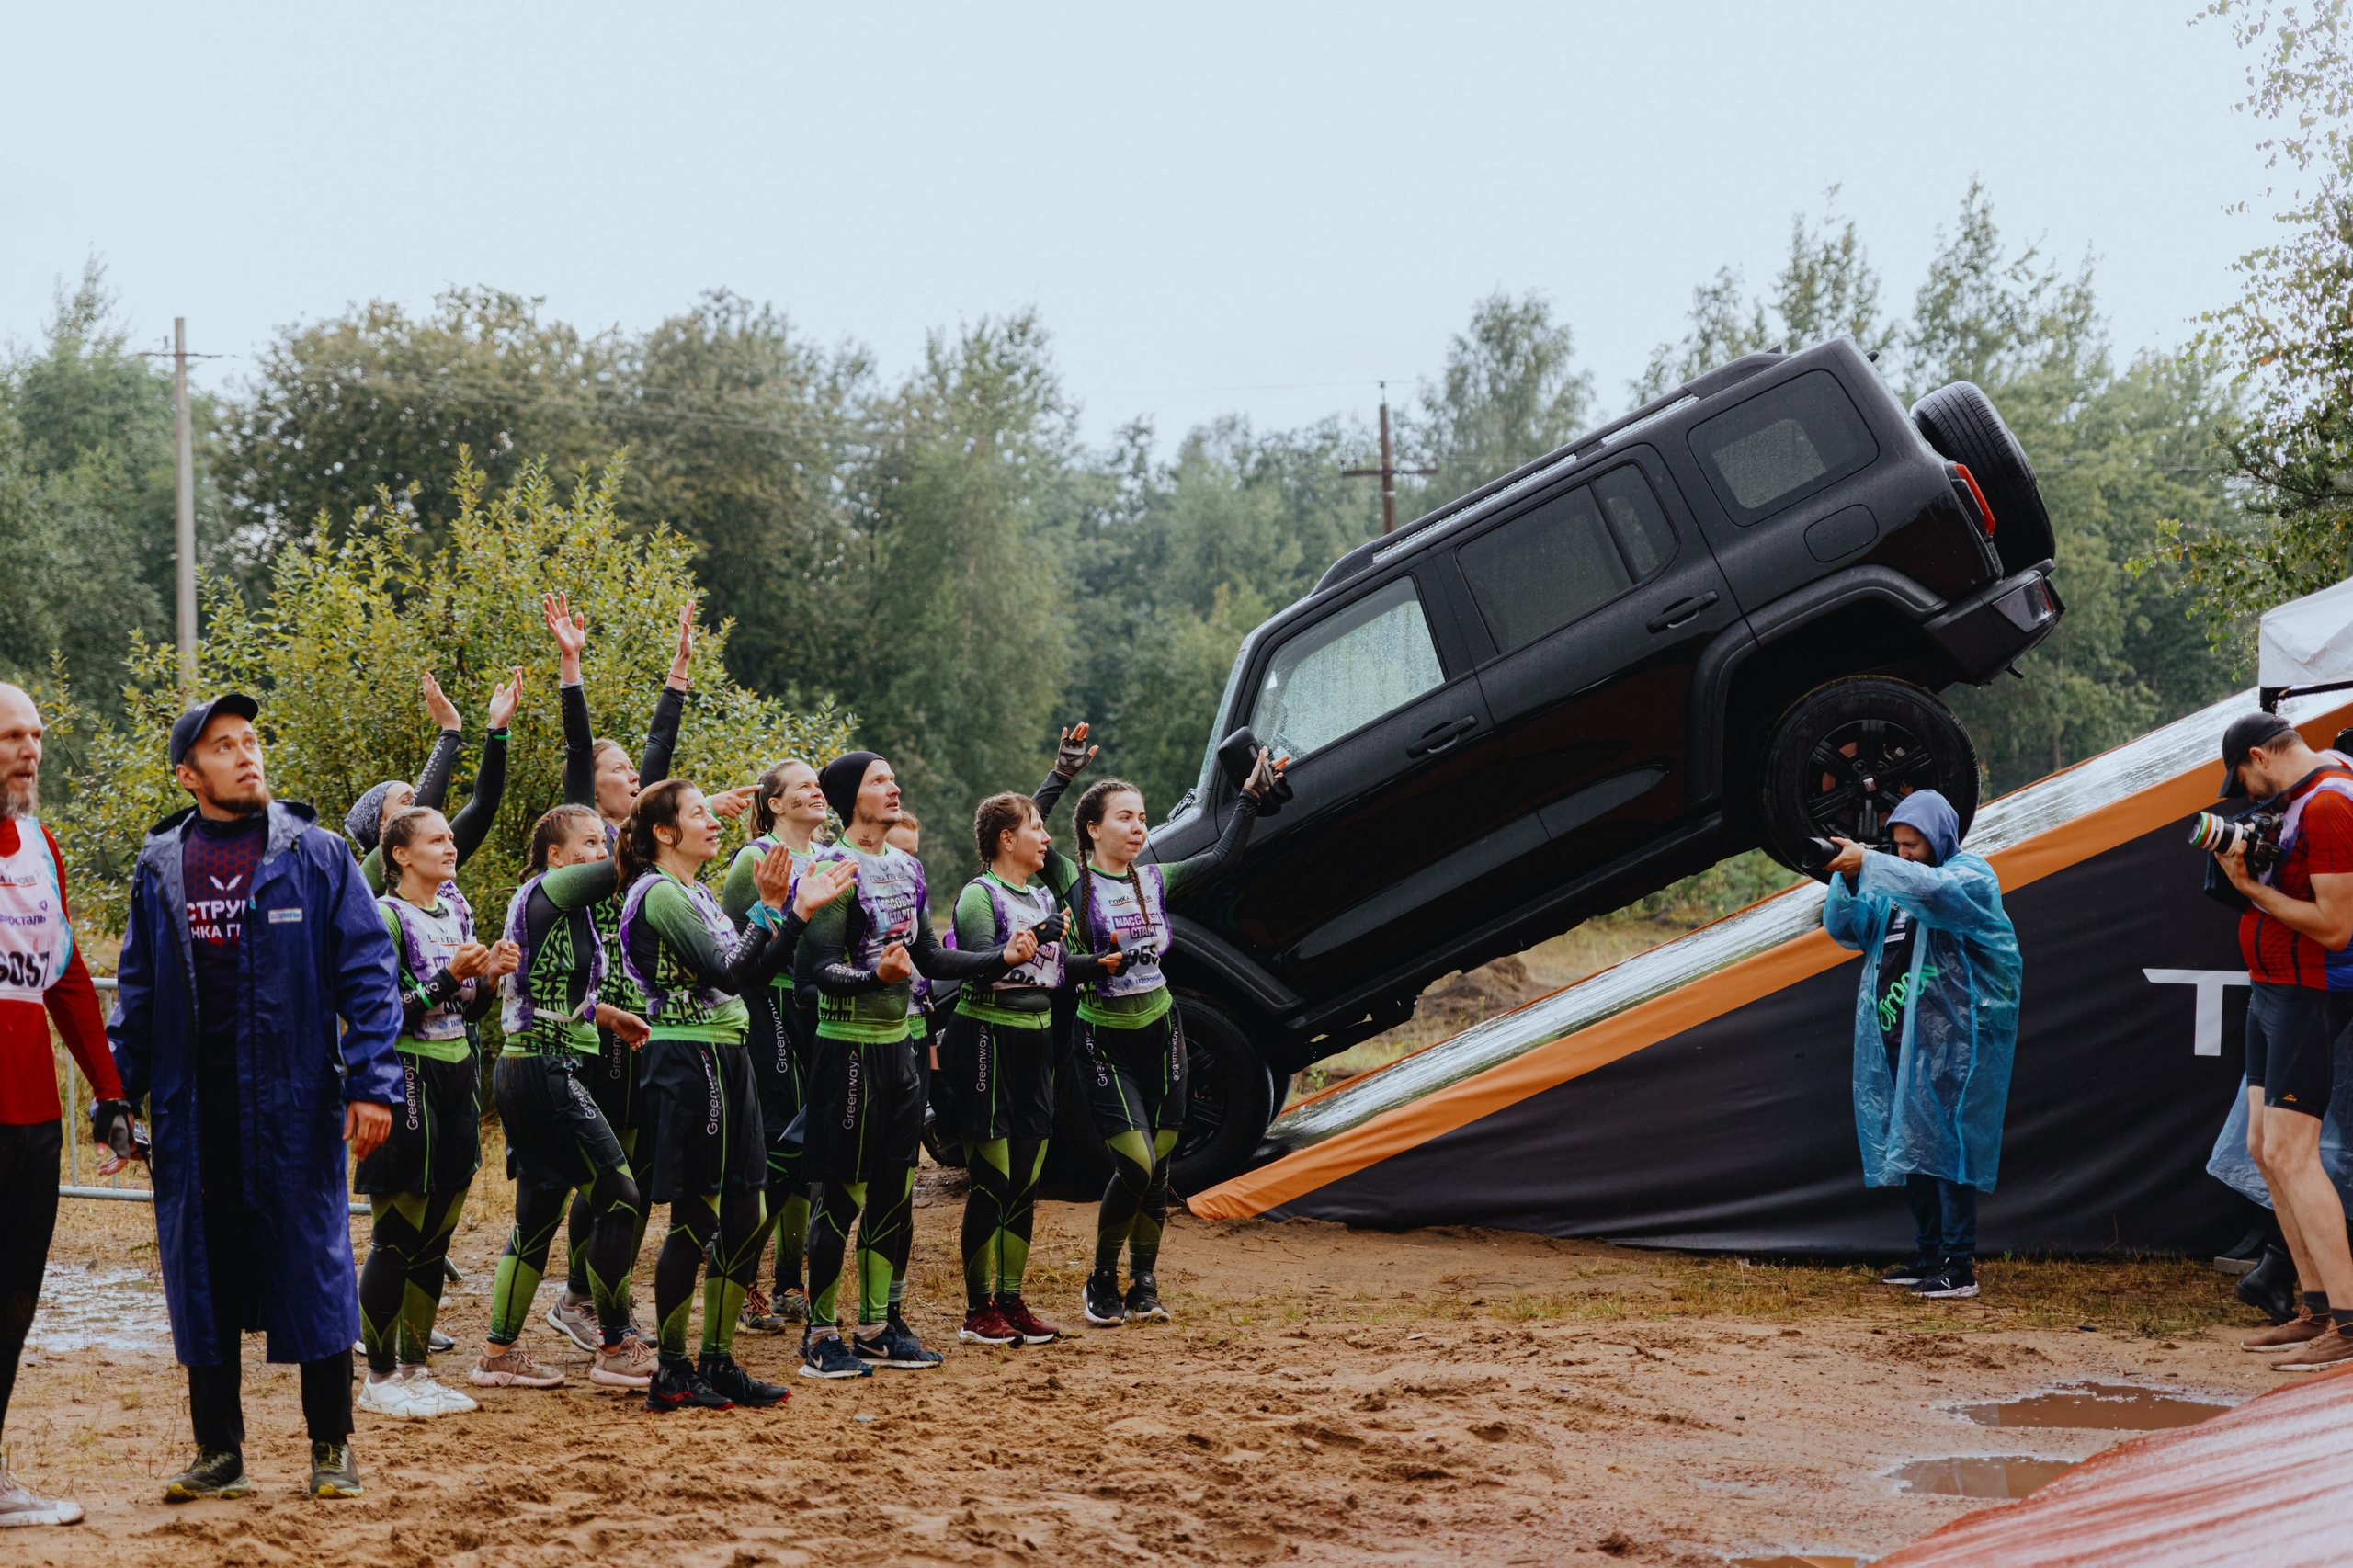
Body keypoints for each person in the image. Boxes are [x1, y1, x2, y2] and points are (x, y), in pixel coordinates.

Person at [110, 693, 402, 1502]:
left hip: (294, 1105)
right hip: (192, 1112)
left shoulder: (314, 853)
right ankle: (219, 1454)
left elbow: (370, 975)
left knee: (312, 1267)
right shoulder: (162, 864)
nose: (248, 754)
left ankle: (331, 1447)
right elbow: (135, 994)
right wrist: (115, 1096)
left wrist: (374, 1083)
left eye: (252, 740)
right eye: (225, 746)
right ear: (188, 773)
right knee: (200, 1276)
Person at [619, 779, 850, 1411]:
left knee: (744, 1215)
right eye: (698, 814)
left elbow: (754, 971)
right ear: (664, 833)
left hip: (727, 1053)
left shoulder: (694, 892)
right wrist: (775, 908)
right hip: (687, 1056)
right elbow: (727, 971)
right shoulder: (659, 893)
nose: (714, 821)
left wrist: (794, 914)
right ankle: (671, 1371)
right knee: (695, 1219)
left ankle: (717, 1363)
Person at [796, 752, 1026, 1378]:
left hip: (901, 1049)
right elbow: (812, 972)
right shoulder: (827, 869)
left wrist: (997, 959)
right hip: (846, 1049)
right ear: (848, 798)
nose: (893, 786)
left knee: (894, 1196)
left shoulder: (907, 867)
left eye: (894, 778)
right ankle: (820, 1336)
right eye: (879, 779)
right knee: (841, 1199)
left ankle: (875, 1327)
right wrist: (876, 974)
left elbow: (928, 954)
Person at [1045, 744, 1282, 1328]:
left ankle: (1144, 1283)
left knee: (1162, 1170)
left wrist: (1250, 795)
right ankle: (1101, 1279)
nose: (1138, 826)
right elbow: (1019, 824)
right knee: (1136, 1165)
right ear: (1093, 828)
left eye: (1143, 816)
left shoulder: (1156, 879)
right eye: (1124, 816)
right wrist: (1059, 776)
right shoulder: (1072, 881)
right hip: (1103, 1039)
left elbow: (1225, 857)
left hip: (1163, 1032)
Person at [540, 593, 701, 1352]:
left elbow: (659, 759)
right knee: (603, 1169)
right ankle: (579, 1297)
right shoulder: (588, 841)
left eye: (627, 765)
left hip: (639, 1014)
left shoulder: (639, 838)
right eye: (613, 767)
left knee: (630, 1160)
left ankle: (597, 1293)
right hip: (592, 1016)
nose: (626, 771)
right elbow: (580, 752)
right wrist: (570, 666)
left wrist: (677, 676)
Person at [477, 806, 660, 1392]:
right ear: (555, 856)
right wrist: (674, 815)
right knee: (621, 1195)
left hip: (532, 1066)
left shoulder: (565, 910)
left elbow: (545, 990)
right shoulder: (551, 888)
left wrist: (605, 1016)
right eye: (587, 842)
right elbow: (628, 861)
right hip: (541, 1071)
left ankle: (498, 1354)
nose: (600, 851)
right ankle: (613, 1346)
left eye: (602, 840)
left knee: (536, 1218)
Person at [1819, 790, 2020, 1301]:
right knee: (1911, 1149)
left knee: (1947, 1152)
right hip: (1897, 1040)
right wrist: (1845, 877)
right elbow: (1846, 928)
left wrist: (1874, 863)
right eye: (1897, 845)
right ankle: (1929, 1252)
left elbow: (1935, 895)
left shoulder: (1969, 876)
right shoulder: (1890, 890)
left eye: (1914, 845)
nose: (1904, 854)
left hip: (1950, 1043)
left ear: (1939, 839)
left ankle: (1959, 1263)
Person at [0, 685, 122, 1528]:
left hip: (31, 1114)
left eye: (37, 736)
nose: (30, 750)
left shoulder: (41, 845)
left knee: (14, 1296)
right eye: (12, 736)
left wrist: (110, 1092)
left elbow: (69, 981)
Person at [352, 805, 518, 1416]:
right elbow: (380, 1013)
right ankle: (378, 1377)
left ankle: (416, 1370)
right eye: (437, 839)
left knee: (437, 1232)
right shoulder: (385, 917)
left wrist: (491, 978)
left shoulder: (457, 909)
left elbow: (467, 1012)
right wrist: (450, 978)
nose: (451, 847)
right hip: (406, 1077)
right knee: (397, 1235)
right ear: (400, 855)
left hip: (457, 1073)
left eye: (452, 837)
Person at [943, 792, 1120, 1346]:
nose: (1046, 839)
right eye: (1036, 828)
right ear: (1006, 839)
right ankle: (977, 1311)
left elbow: (1053, 968)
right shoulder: (980, 895)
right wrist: (1026, 944)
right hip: (986, 1037)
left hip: (1037, 1040)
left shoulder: (1041, 894)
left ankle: (1013, 1300)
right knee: (992, 1181)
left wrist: (1096, 964)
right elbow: (974, 968)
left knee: (1025, 1180)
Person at [2211, 711, 2353, 1371]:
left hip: (2307, 989)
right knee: (2264, 1148)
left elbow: (2334, 927)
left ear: (2262, 757)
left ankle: (2348, 1324)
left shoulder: (2327, 804)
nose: (2246, 793)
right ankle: (2316, 1308)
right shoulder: (2305, 794)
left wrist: (2246, 887)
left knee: (2294, 1154)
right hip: (2271, 987)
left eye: (2241, 778)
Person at [719, 758, 830, 1333]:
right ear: (776, 804)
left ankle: (791, 1281)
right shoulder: (754, 858)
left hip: (823, 1008)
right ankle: (740, 1280)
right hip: (772, 1005)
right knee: (776, 1138)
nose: (816, 791)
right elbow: (734, 952)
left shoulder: (832, 860)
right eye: (803, 786)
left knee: (808, 1145)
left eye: (818, 784)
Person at [347, 671, 511, 896]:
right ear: (382, 824)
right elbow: (417, 816)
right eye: (407, 800)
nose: (420, 804)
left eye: (417, 796)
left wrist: (498, 731)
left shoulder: (433, 854)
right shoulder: (370, 870)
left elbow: (483, 807)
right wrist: (451, 730)